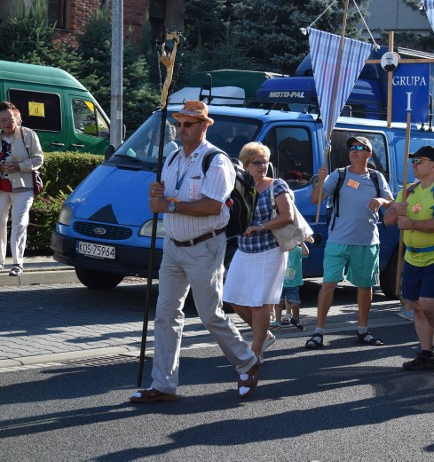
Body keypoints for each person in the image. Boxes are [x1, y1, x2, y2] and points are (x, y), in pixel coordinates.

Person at [131, 101, 259, 402]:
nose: (182, 129)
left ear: (204, 126)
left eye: (188, 124)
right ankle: (163, 384)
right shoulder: (173, 157)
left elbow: (213, 205)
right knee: (165, 315)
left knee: (209, 315)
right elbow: (164, 195)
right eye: (179, 124)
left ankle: (246, 360)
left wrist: (170, 205)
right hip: (174, 248)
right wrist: (157, 194)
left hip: (205, 247)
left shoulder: (216, 162)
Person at [306, 136, 393, 349]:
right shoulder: (339, 174)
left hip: (367, 241)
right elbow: (316, 200)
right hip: (338, 240)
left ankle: (363, 330)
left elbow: (391, 203)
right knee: (328, 285)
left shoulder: (376, 177)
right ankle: (318, 332)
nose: (354, 151)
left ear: (368, 154)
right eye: (352, 148)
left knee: (365, 286)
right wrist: (320, 180)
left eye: (360, 148)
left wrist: (381, 200)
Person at [385, 145, 434, 370]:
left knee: (428, 304)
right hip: (413, 257)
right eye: (413, 161)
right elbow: (387, 220)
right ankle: (426, 353)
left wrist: (413, 224)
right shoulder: (408, 190)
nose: (414, 165)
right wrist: (396, 208)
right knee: (416, 306)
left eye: (419, 161)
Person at [224, 142, 293, 362]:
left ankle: (257, 350)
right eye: (257, 163)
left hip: (270, 250)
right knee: (232, 297)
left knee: (260, 301)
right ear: (245, 165)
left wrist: (261, 226)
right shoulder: (238, 186)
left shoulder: (276, 185)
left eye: (265, 162)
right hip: (245, 250)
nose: (262, 166)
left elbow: (287, 216)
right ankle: (264, 335)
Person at [0, 101, 43, 276]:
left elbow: (38, 159)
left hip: (23, 187)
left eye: (10, 118)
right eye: (3, 119)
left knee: (20, 223)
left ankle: (17, 263)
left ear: (17, 117)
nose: (7, 122)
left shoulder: (29, 135)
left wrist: (20, 166)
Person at [277, 242, 308, 330]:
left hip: (293, 284)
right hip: (281, 283)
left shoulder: (297, 250)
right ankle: (277, 321)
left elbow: (306, 253)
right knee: (279, 304)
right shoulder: (281, 250)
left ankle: (296, 319)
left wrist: (302, 242)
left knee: (295, 304)